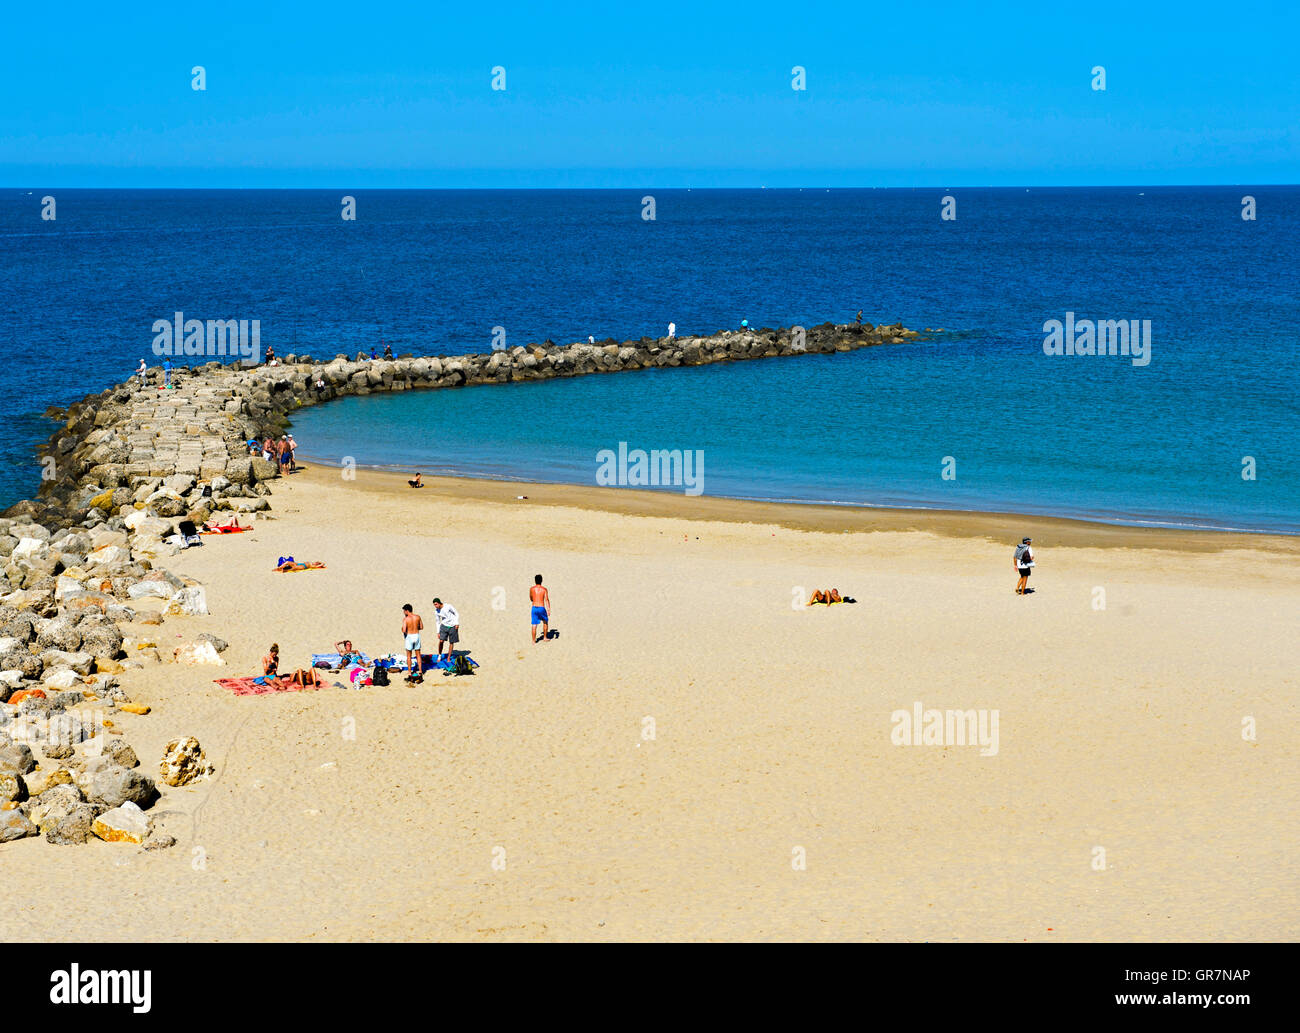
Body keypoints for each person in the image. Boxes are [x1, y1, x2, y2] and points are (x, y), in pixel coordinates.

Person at [401, 605, 424, 683]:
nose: (404, 612)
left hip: (409, 636)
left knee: (409, 656)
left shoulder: (406, 619)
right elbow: (421, 627)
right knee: (418, 654)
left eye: (404, 611)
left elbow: (404, 630)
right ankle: (420, 671)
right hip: (416, 635)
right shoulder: (417, 617)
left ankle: (410, 672)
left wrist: (404, 628)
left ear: (407, 611)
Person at [530, 574, 551, 644]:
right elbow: (547, 600)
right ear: (542, 580)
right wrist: (548, 609)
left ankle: (533, 641)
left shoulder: (532, 589)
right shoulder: (544, 589)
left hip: (534, 607)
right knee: (545, 621)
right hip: (541, 607)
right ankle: (545, 637)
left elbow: (531, 598)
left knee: (534, 624)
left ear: (535, 581)